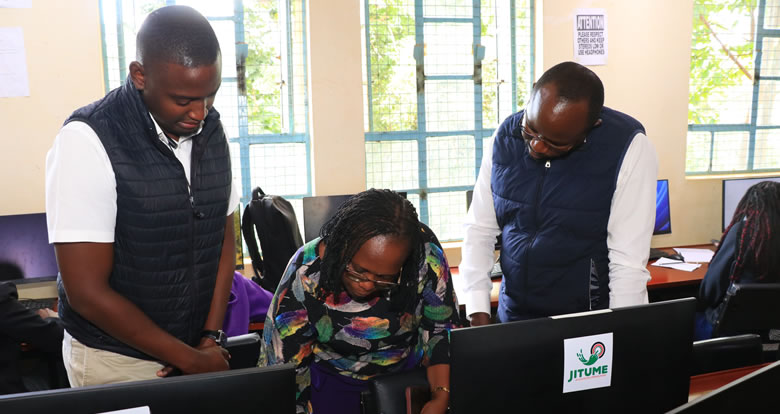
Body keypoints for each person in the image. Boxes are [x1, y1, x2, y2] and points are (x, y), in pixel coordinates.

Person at [45, 5, 240, 386]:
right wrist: (189, 359)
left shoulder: (211, 131)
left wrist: (209, 338)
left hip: (196, 351)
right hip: (116, 359)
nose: (200, 113)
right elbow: (86, 292)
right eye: (183, 100)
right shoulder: (88, 140)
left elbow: (223, 239)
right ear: (140, 75)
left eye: (210, 96)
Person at [459, 61, 658, 325]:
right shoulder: (505, 136)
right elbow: (480, 230)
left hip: (585, 321)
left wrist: (621, 332)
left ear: (592, 126)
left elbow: (627, 263)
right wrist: (478, 312)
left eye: (556, 144)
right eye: (530, 130)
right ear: (532, 94)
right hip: (514, 317)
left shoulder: (629, 148)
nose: (537, 147)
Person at [260, 189, 460, 414]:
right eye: (358, 271)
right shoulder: (305, 273)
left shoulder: (424, 256)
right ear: (342, 246)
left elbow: (440, 328)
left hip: (405, 383)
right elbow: (284, 365)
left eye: (384, 278)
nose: (367, 284)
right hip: (332, 387)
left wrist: (441, 395)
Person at [695, 181, 780, 340]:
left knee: (683, 316)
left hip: (728, 330)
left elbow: (710, 292)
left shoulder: (741, 234)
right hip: (770, 332)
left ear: (750, 206)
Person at [0, 263, 63, 395]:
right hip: (8, 397)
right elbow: (56, 338)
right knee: (54, 371)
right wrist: (52, 318)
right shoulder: (3, 303)